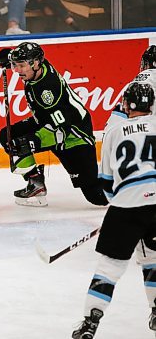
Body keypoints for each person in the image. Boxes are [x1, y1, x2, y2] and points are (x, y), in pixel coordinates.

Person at [71, 82, 156, 338]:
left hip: (125, 209)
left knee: (109, 268)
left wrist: (123, 205)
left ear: (126, 104)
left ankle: (90, 323)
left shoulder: (114, 131)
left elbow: (107, 186)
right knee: (153, 261)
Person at [0, 42, 108, 207]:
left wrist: (32, 141)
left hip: (74, 136)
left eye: (21, 66)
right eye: (14, 65)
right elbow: (23, 55)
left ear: (36, 63)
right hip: (48, 122)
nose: (17, 70)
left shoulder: (47, 90)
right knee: (9, 136)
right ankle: (35, 183)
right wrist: (8, 55)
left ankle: (137, 187)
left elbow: (62, 129)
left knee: (96, 196)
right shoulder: (36, 66)